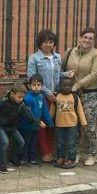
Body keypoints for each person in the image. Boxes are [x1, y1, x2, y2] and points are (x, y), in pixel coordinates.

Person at [27, 29, 73, 163]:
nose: (48, 44)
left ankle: (53, 151)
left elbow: (58, 75)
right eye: (45, 42)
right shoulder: (34, 58)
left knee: (54, 125)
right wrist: (46, 92)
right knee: (42, 125)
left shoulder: (57, 57)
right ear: (40, 43)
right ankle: (45, 152)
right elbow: (31, 78)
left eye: (51, 42)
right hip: (41, 96)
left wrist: (66, 74)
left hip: (57, 95)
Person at [61, 27, 97, 166]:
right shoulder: (70, 52)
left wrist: (77, 85)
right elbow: (61, 68)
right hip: (72, 94)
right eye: (85, 37)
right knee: (75, 124)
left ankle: (92, 154)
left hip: (90, 93)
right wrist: (67, 76)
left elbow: (95, 74)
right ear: (79, 37)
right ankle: (75, 153)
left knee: (89, 125)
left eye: (91, 38)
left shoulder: (96, 54)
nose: (87, 40)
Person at [0, 83, 46, 174]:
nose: (21, 99)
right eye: (19, 97)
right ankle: (1, 165)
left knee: (21, 142)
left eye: (22, 97)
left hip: (11, 126)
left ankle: (12, 159)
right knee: (5, 142)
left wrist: (38, 122)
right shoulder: (2, 101)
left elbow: (27, 114)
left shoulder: (21, 104)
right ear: (12, 94)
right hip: (0, 126)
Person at [50, 77, 87, 169]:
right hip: (59, 125)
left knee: (71, 143)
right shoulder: (56, 97)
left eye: (69, 86)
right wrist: (49, 121)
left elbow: (80, 111)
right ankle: (60, 158)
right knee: (60, 143)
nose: (66, 87)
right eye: (64, 85)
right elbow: (52, 110)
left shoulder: (75, 97)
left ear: (72, 87)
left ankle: (71, 160)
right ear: (60, 86)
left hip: (72, 125)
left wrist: (83, 123)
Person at [18, 75, 54, 166]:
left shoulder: (41, 97)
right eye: (34, 85)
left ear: (42, 86)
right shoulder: (27, 98)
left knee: (33, 143)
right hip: (26, 126)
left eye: (38, 85)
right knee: (25, 143)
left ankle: (32, 158)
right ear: (29, 86)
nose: (36, 87)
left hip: (36, 126)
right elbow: (28, 114)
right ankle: (23, 158)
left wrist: (49, 120)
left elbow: (45, 110)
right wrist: (37, 122)